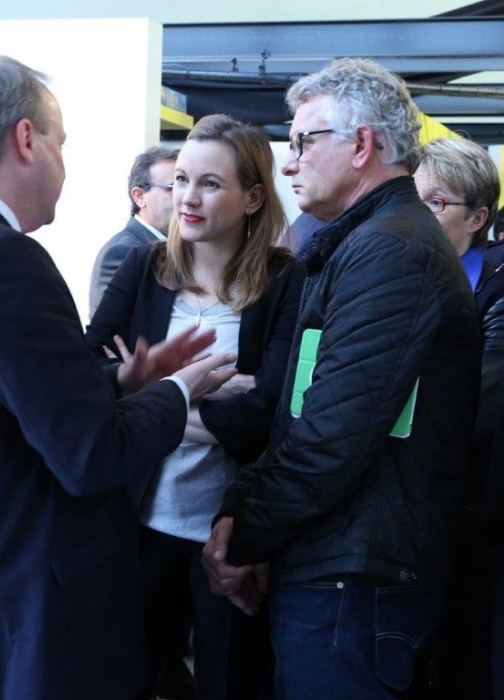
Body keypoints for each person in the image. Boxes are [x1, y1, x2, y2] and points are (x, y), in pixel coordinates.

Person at [0, 55, 236, 699]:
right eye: (61, 144)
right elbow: (90, 455)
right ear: (26, 140)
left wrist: (117, 384)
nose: (65, 164)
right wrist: (180, 390)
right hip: (10, 625)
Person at [202, 57, 482, 700]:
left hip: (353, 579)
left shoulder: (390, 250)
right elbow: (302, 412)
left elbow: (333, 434)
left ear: (361, 146)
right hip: (339, 564)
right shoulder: (363, 242)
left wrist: (242, 534)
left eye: (303, 141)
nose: (290, 161)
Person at [87, 113, 304, 699]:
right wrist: (185, 388)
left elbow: (270, 413)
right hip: (138, 521)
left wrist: (148, 399)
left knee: (230, 682)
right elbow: (88, 378)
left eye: (210, 184)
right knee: (124, 676)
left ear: (254, 196)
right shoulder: (144, 269)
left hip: (229, 531)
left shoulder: (286, 281)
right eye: (181, 180)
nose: (187, 196)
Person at [413, 137, 504, 700]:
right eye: (413, 198)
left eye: (436, 203)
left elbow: (483, 406)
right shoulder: (399, 270)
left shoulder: (495, 289)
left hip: (472, 509)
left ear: (478, 217)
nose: (419, 215)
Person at [89, 145, 179, 317]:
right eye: (172, 188)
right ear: (139, 196)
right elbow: (114, 332)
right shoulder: (122, 252)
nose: (184, 196)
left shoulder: (181, 246)